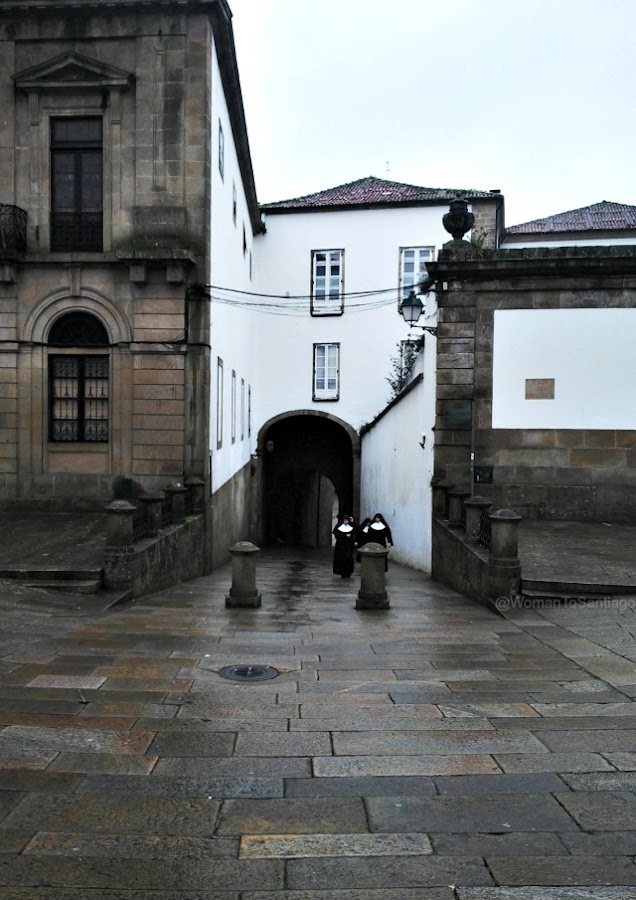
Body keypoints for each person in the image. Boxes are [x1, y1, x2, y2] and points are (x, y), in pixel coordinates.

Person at [332, 514, 356, 578]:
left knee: (349, 558)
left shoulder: (351, 527)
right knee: (341, 559)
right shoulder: (339, 527)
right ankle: (342, 573)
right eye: (345, 520)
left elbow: (356, 530)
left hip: (349, 545)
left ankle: (348, 572)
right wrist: (344, 536)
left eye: (347, 520)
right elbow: (336, 535)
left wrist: (353, 522)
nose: (346, 522)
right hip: (341, 545)